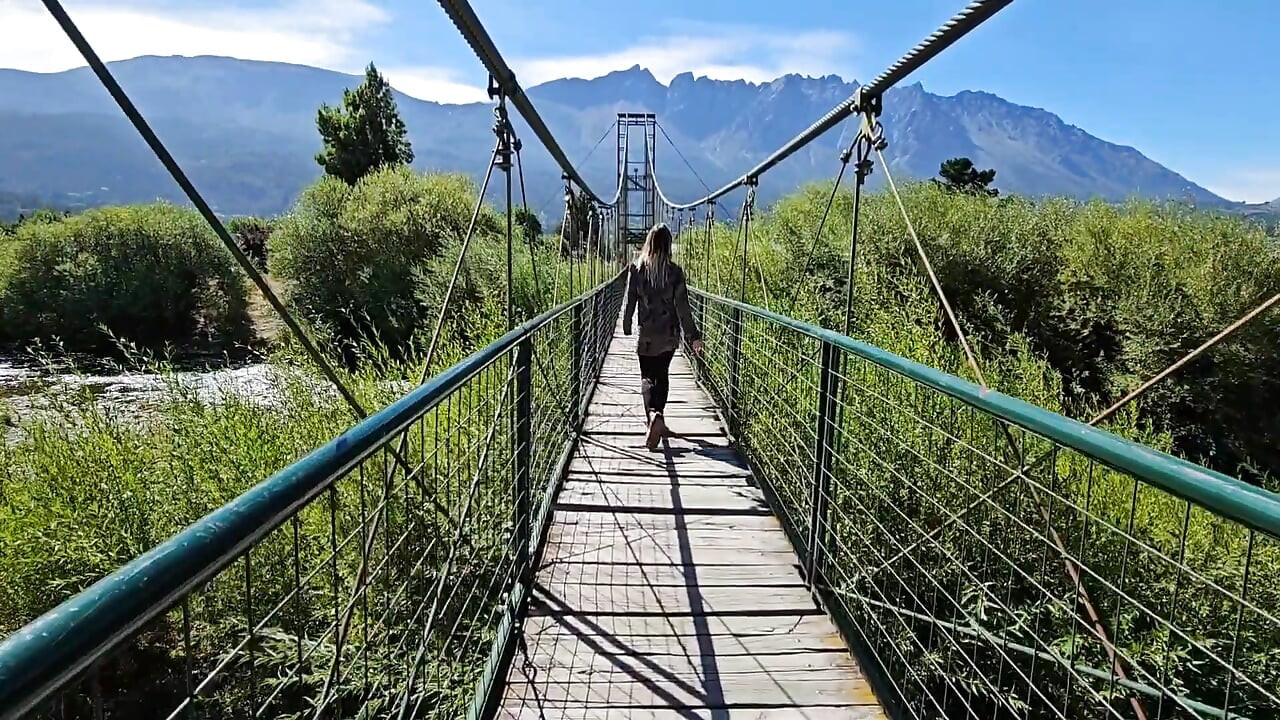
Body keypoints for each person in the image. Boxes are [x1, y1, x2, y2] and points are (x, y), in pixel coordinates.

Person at [623, 223, 704, 450]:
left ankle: (653, 416)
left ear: (649, 243)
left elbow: (630, 301)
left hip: (647, 335)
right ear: (669, 246)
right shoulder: (675, 272)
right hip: (669, 335)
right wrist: (693, 336)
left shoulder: (637, 269)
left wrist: (627, 323)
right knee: (662, 375)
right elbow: (683, 308)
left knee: (647, 377)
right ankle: (658, 416)